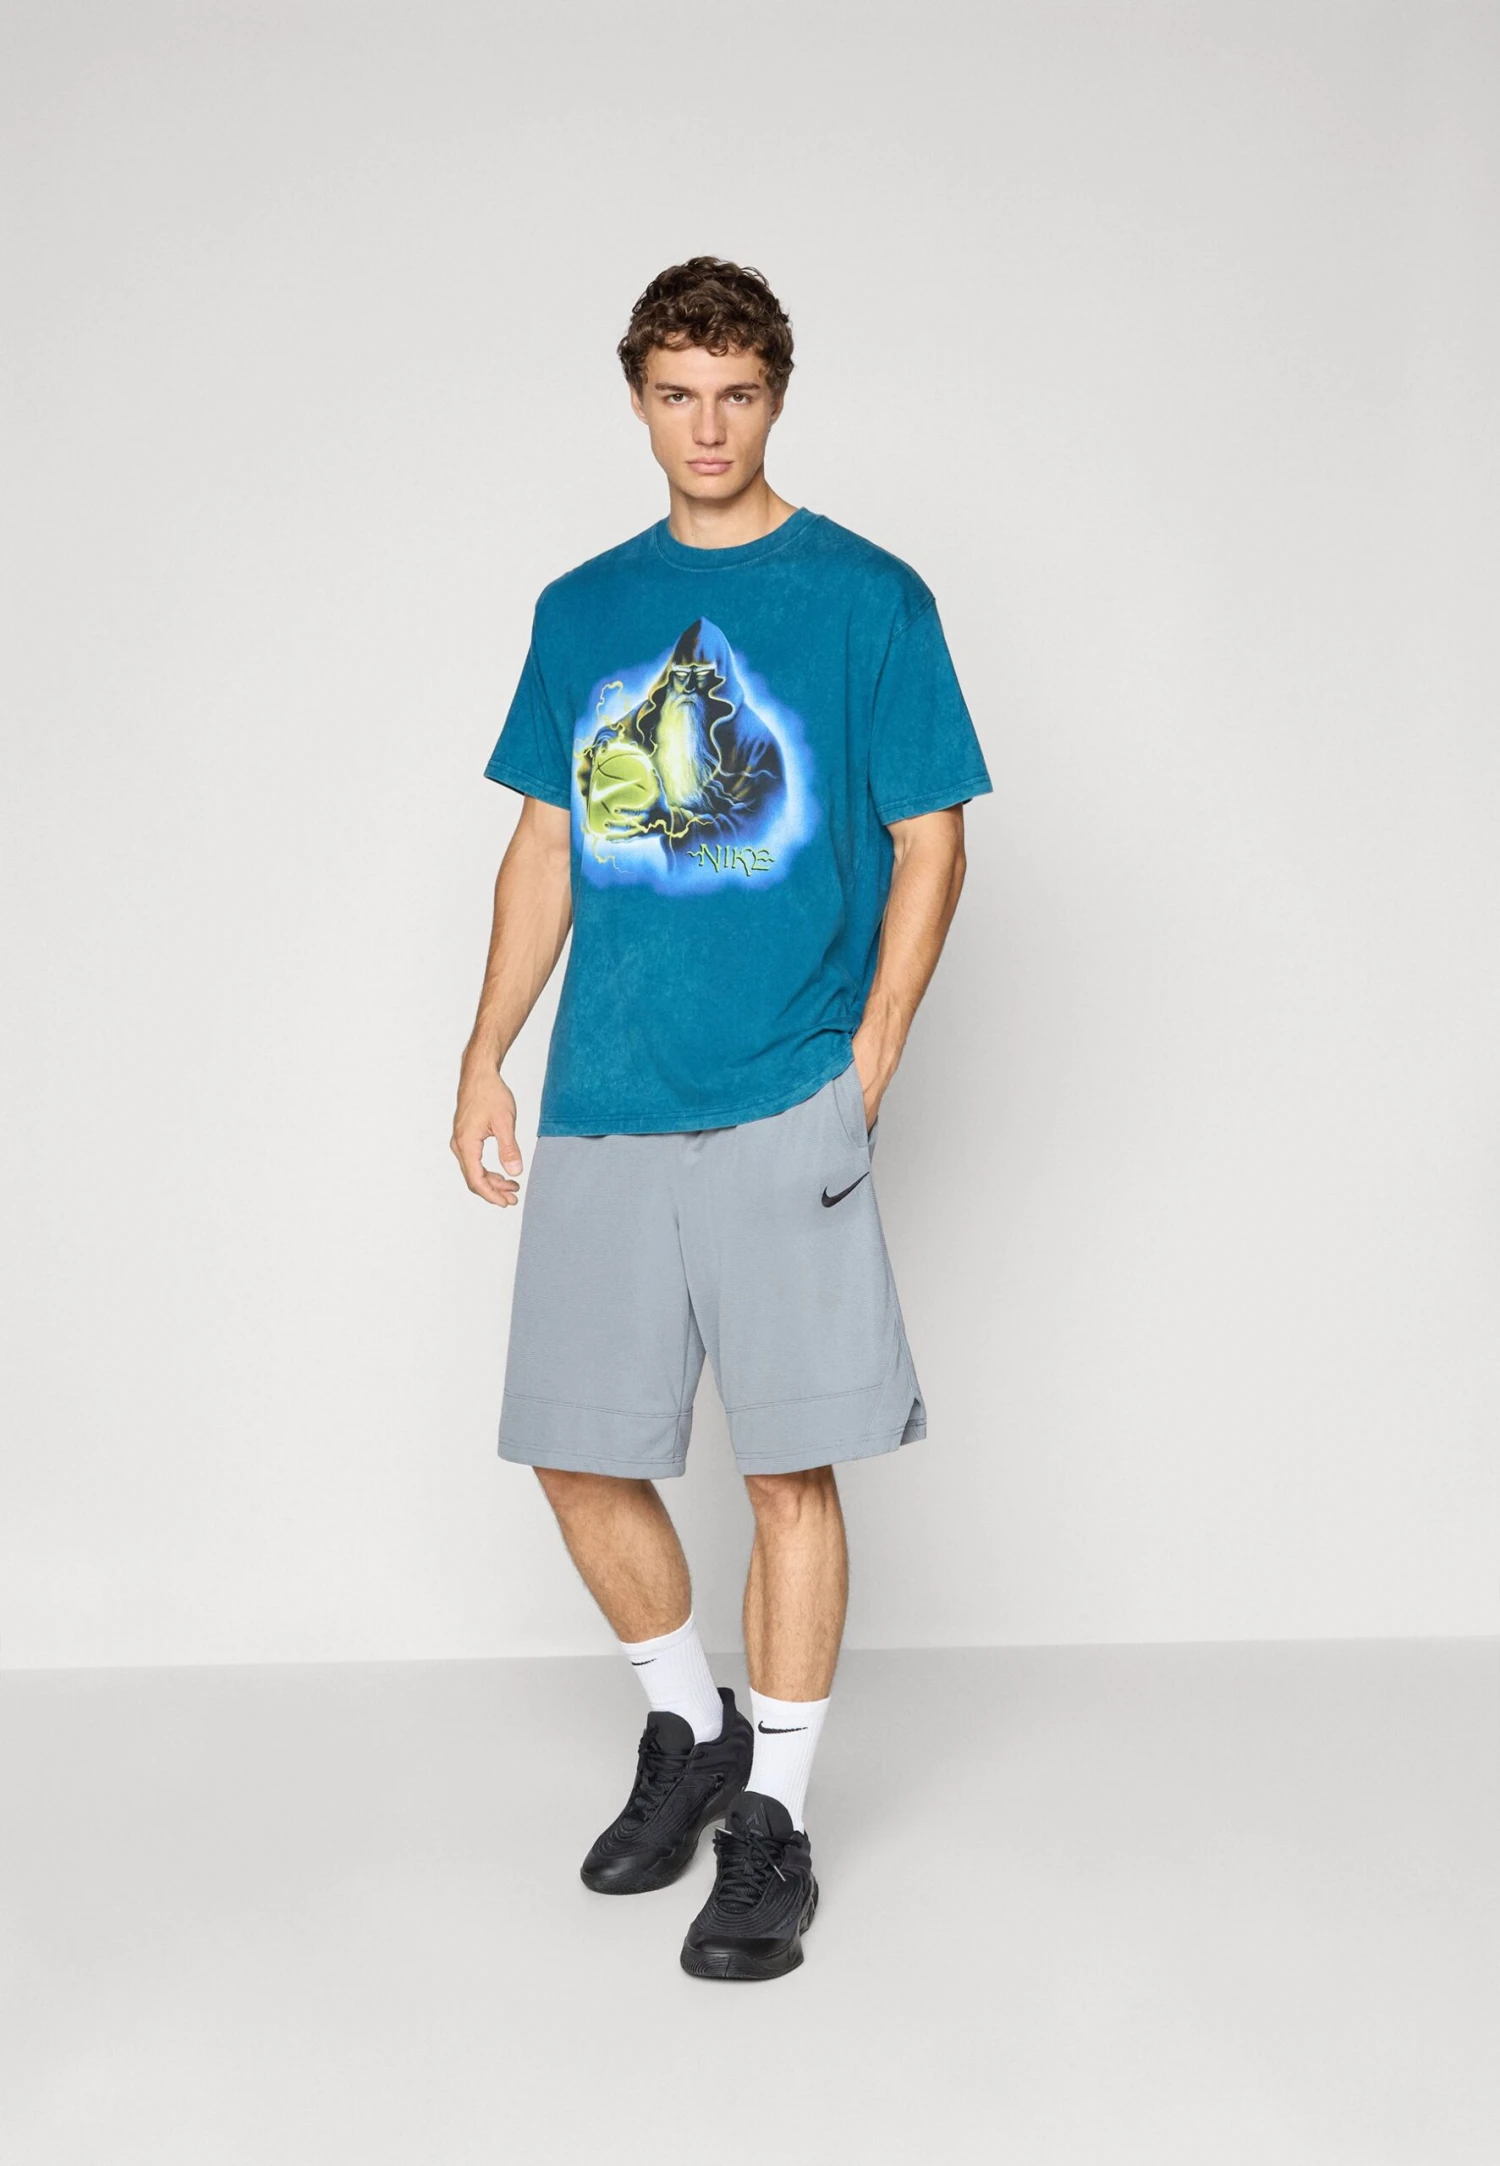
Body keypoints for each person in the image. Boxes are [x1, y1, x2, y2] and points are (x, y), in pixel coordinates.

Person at [450, 257, 990, 1981]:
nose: (708, 426)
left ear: (776, 397)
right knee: (577, 1448)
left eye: (736, 393)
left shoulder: (869, 599)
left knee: (784, 1466)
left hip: (782, 1090)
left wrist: (870, 1056)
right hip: (607, 1094)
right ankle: (692, 1729)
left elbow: (932, 837)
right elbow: (547, 842)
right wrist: (485, 1053)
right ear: (638, 400)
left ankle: (775, 1820)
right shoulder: (581, 607)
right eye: (678, 394)